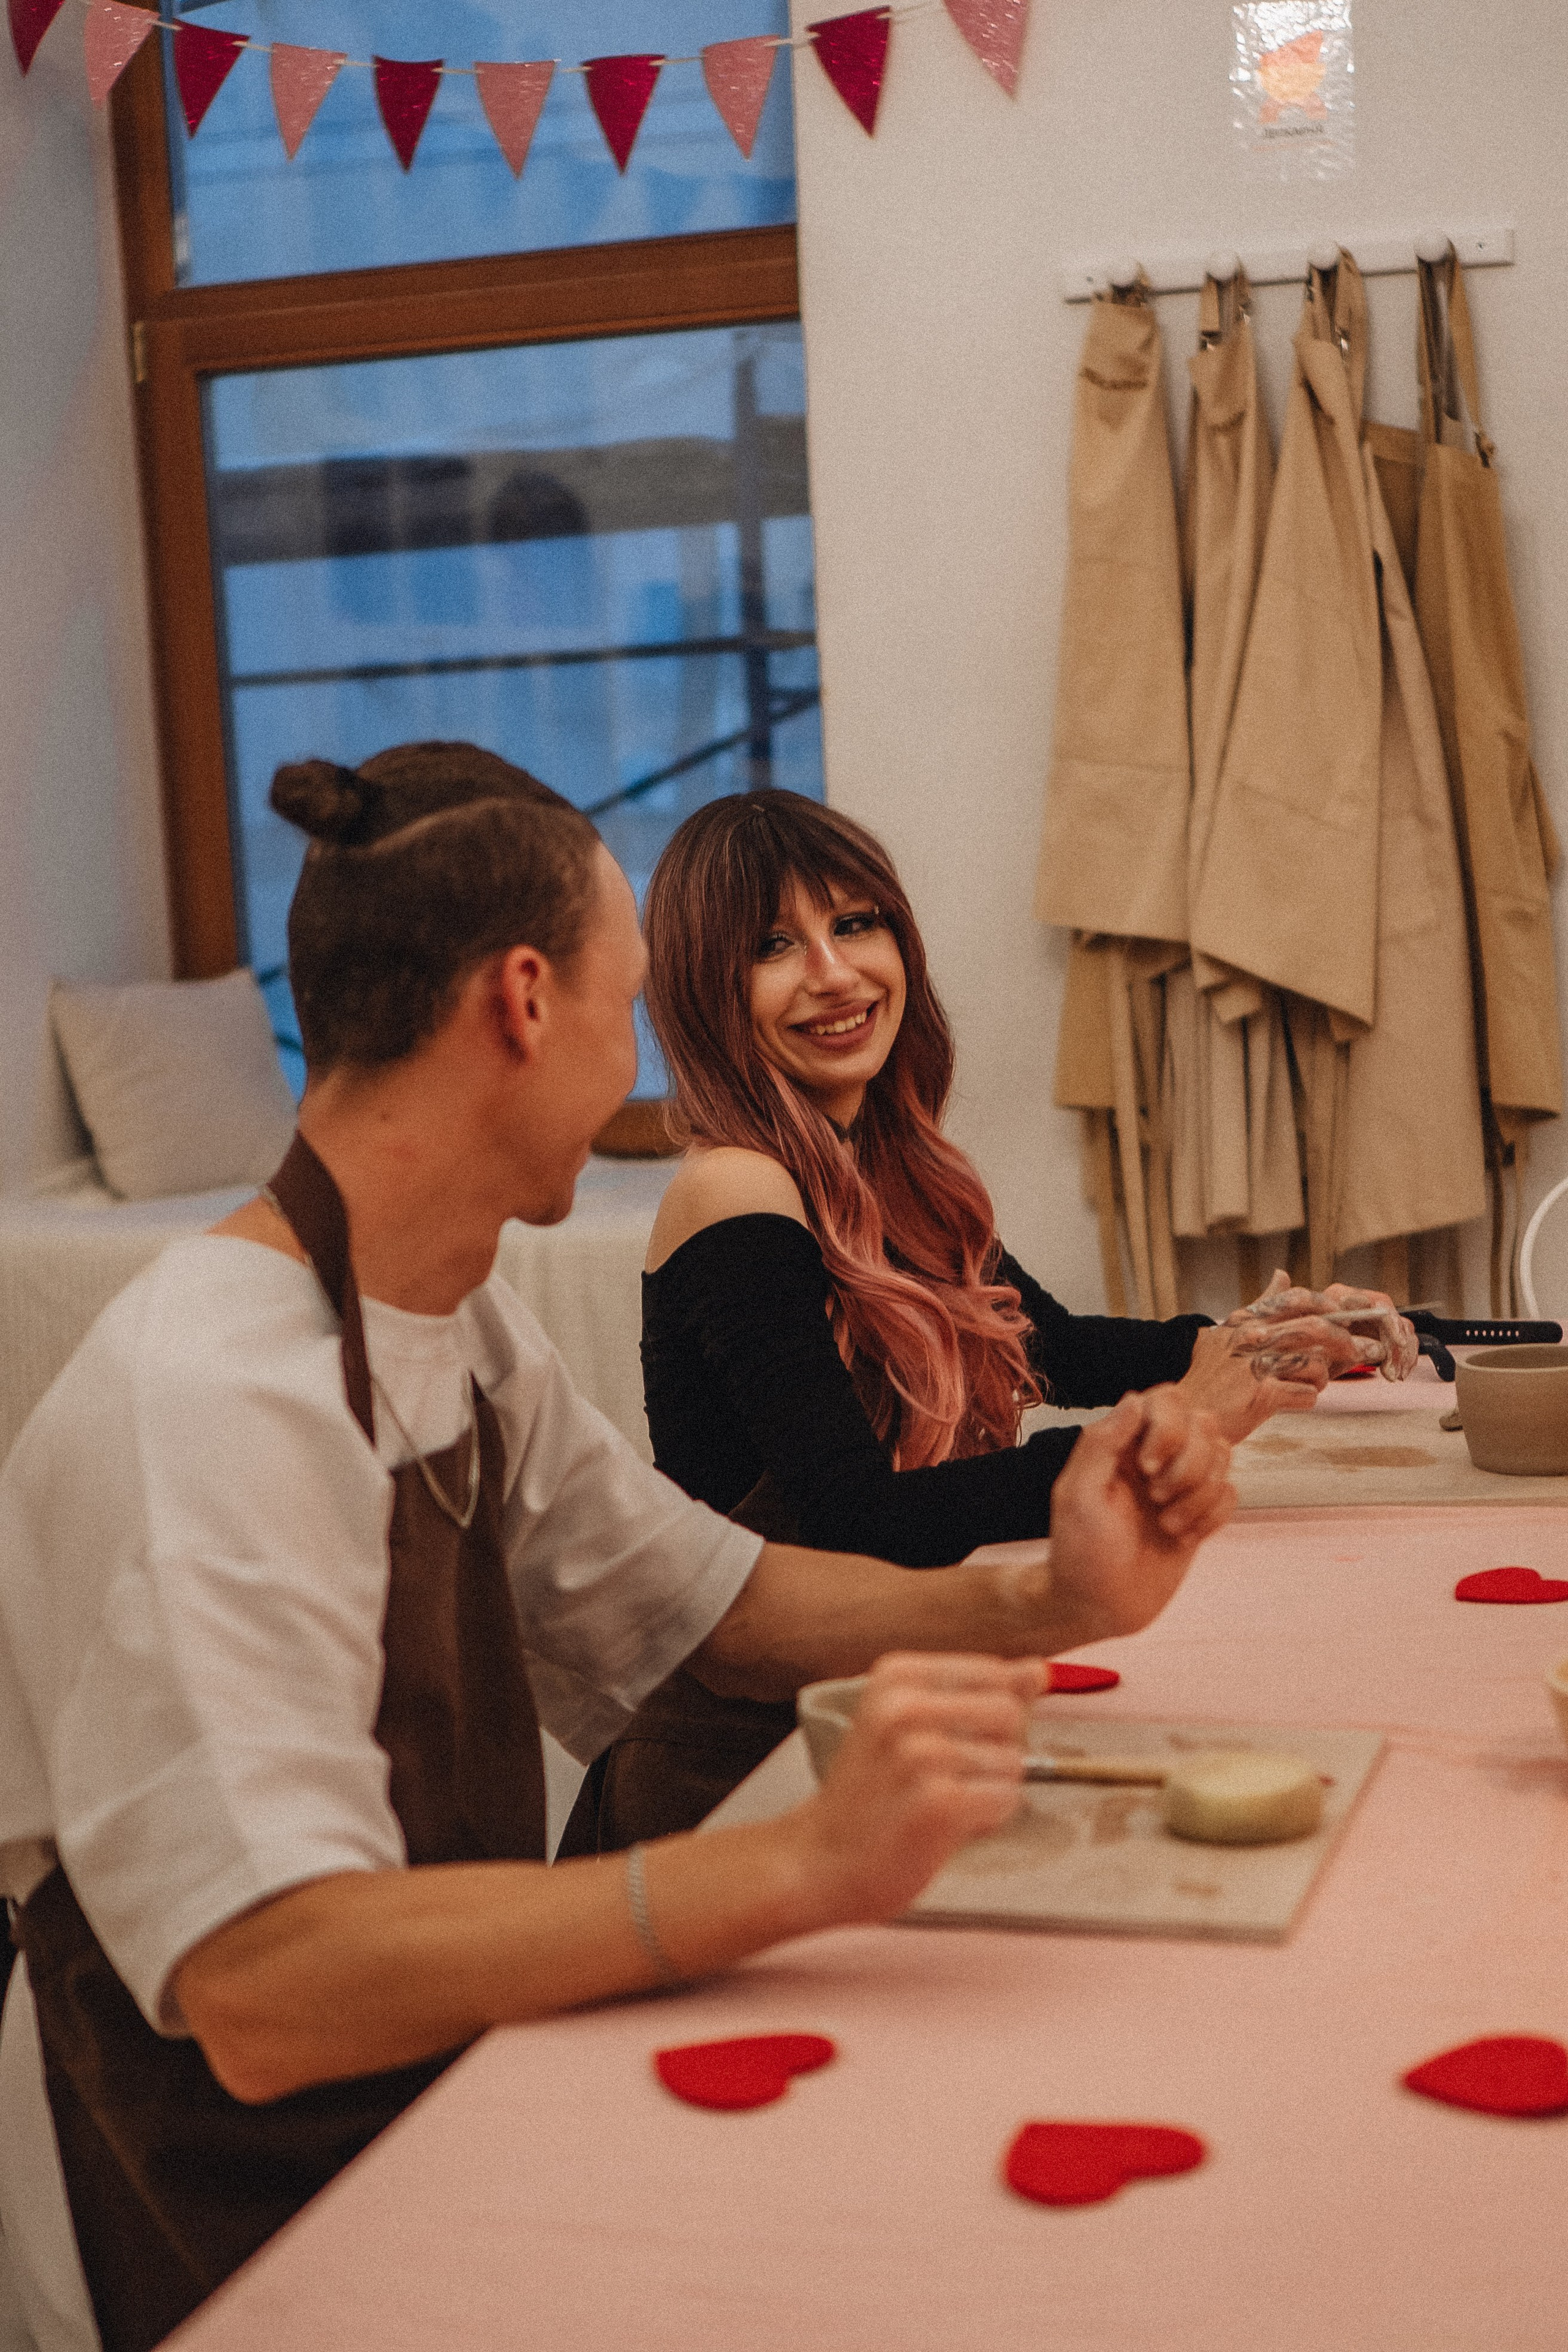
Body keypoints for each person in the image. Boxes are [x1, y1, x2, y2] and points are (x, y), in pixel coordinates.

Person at [0, 745, 1234, 2352]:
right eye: (633, 998)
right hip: (241, 2191)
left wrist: (1052, 1594)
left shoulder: (458, 1330)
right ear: (526, 1002)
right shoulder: (208, 1400)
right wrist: (793, 1865)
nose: (646, 1056)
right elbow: (266, 1986)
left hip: (443, 2072)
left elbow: (715, 1599)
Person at [562, 790, 1414, 1852]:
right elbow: (856, 1520)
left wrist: (1267, 1333)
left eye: (855, 924)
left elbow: (1051, 1349)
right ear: (704, 990)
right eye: (774, 946)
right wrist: (1160, 1429)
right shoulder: (736, 1187)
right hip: (739, 1766)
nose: (833, 973)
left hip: (877, 1713)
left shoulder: (884, 1165)